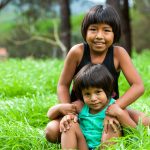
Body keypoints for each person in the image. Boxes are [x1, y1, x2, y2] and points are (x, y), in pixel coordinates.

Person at [45, 4, 150, 143]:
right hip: (80, 109)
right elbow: (63, 85)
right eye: (93, 30)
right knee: (51, 131)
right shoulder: (77, 52)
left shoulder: (118, 53)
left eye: (106, 30)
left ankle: (115, 132)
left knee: (146, 122)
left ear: (115, 33)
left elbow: (138, 86)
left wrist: (116, 108)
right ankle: (80, 134)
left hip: (108, 106)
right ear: (85, 31)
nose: (99, 36)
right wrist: (68, 112)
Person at [48, 64, 137, 149]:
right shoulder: (81, 106)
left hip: (106, 146)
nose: (93, 98)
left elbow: (134, 132)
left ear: (107, 90)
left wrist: (119, 113)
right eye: (87, 94)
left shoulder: (115, 107)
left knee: (112, 124)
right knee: (68, 122)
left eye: (98, 92)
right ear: (81, 95)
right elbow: (50, 115)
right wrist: (60, 108)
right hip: (83, 146)